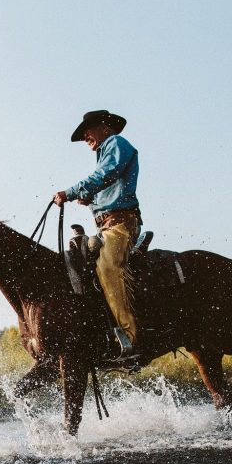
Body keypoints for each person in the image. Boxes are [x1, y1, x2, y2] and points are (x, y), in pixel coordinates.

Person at [53, 110, 141, 357]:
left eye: (86, 132)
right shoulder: (105, 152)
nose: (85, 138)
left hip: (121, 224)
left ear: (103, 127)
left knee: (109, 267)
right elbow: (107, 185)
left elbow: (107, 174)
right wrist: (89, 199)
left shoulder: (116, 144)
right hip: (106, 224)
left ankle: (130, 338)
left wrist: (71, 192)